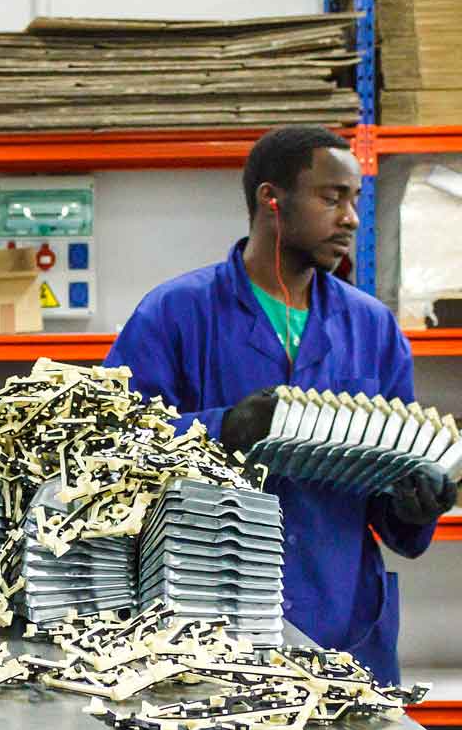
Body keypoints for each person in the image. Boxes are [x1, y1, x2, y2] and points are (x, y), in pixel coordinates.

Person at [106, 125, 455, 682]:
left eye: (355, 201)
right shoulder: (175, 314)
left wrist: (417, 505)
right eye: (331, 197)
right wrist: (225, 427)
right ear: (272, 199)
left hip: (343, 625)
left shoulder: (374, 329)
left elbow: (391, 515)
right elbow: (106, 454)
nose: (351, 220)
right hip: (204, 627)